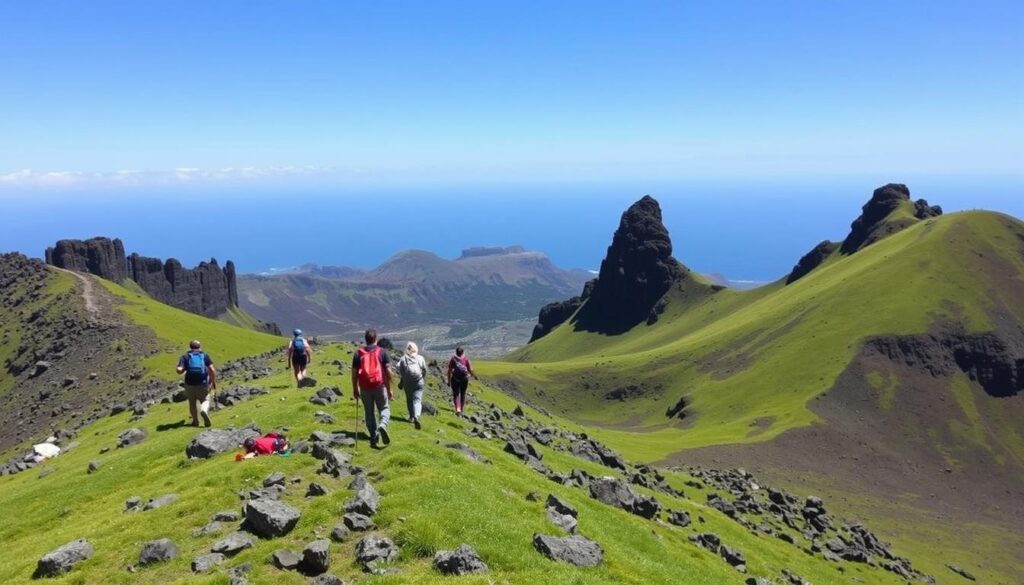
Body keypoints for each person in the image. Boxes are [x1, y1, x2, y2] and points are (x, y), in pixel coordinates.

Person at [352, 328, 393, 447]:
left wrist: (355, 388)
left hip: (364, 387)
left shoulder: (358, 353)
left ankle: (374, 436)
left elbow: (354, 374)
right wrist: (390, 388)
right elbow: (388, 372)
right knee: (384, 408)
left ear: (366, 339)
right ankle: (383, 425)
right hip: (379, 385)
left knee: (369, 412)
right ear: (376, 339)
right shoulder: (382, 352)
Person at [175, 340, 217, 427]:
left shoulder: (185, 356)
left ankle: (195, 421)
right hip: (202, 383)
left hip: (189, 383)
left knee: (192, 403)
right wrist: (213, 382)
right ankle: (203, 411)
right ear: (199, 346)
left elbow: (179, 370)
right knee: (205, 399)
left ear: (190, 347)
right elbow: (212, 370)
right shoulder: (204, 355)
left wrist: (179, 369)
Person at [397, 341, 428, 429]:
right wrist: (422, 378)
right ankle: (417, 416)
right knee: (417, 400)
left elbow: (402, 373)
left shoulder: (403, 359)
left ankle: (411, 417)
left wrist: (401, 383)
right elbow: (424, 370)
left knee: (409, 399)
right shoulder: (420, 358)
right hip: (419, 382)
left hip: (407, 383)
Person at [447, 346, 477, 416]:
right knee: (463, 394)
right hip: (464, 379)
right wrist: (474, 376)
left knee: (456, 394)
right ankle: (461, 409)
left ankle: (458, 409)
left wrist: (448, 381)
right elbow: (470, 369)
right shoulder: (466, 359)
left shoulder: (453, 359)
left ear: (456, 352)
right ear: (463, 352)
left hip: (455, 379)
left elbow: (449, 370)